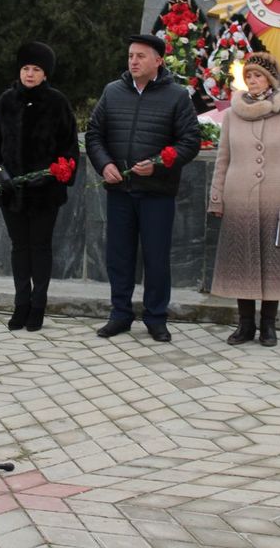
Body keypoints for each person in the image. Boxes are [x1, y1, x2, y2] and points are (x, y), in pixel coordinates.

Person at [85, 34, 202, 342]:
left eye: (140, 56)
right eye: (130, 56)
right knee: (119, 256)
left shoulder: (177, 96)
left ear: (158, 61)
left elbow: (190, 142)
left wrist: (159, 165)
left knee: (156, 257)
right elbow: (94, 134)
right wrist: (104, 164)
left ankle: (155, 317)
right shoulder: (113, 92)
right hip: (120, 191)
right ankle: (120, 314)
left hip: (157, 191)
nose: (133, 61)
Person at [207, 52, 280, 347]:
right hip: (238, 197)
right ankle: (245, 326)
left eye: (258, 76)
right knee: (242, 261)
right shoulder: (231, 115)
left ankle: (268, 326)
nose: (252, 81)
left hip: (277, 199)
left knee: (273, 262)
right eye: (249, 76)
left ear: (270, 80)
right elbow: (223, 159)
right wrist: (217, 198)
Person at [0, 41, 80, 332]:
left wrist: (51, 175)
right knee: (19, 247)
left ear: (45, 74)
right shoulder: (6, 101)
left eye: (36, 69)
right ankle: (20, 304)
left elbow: (69, 147)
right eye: (26, 68)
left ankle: (38, 306)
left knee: (40, 247)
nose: (29, 74)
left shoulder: (58, 103)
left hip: (44, 193)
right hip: (11, 191)